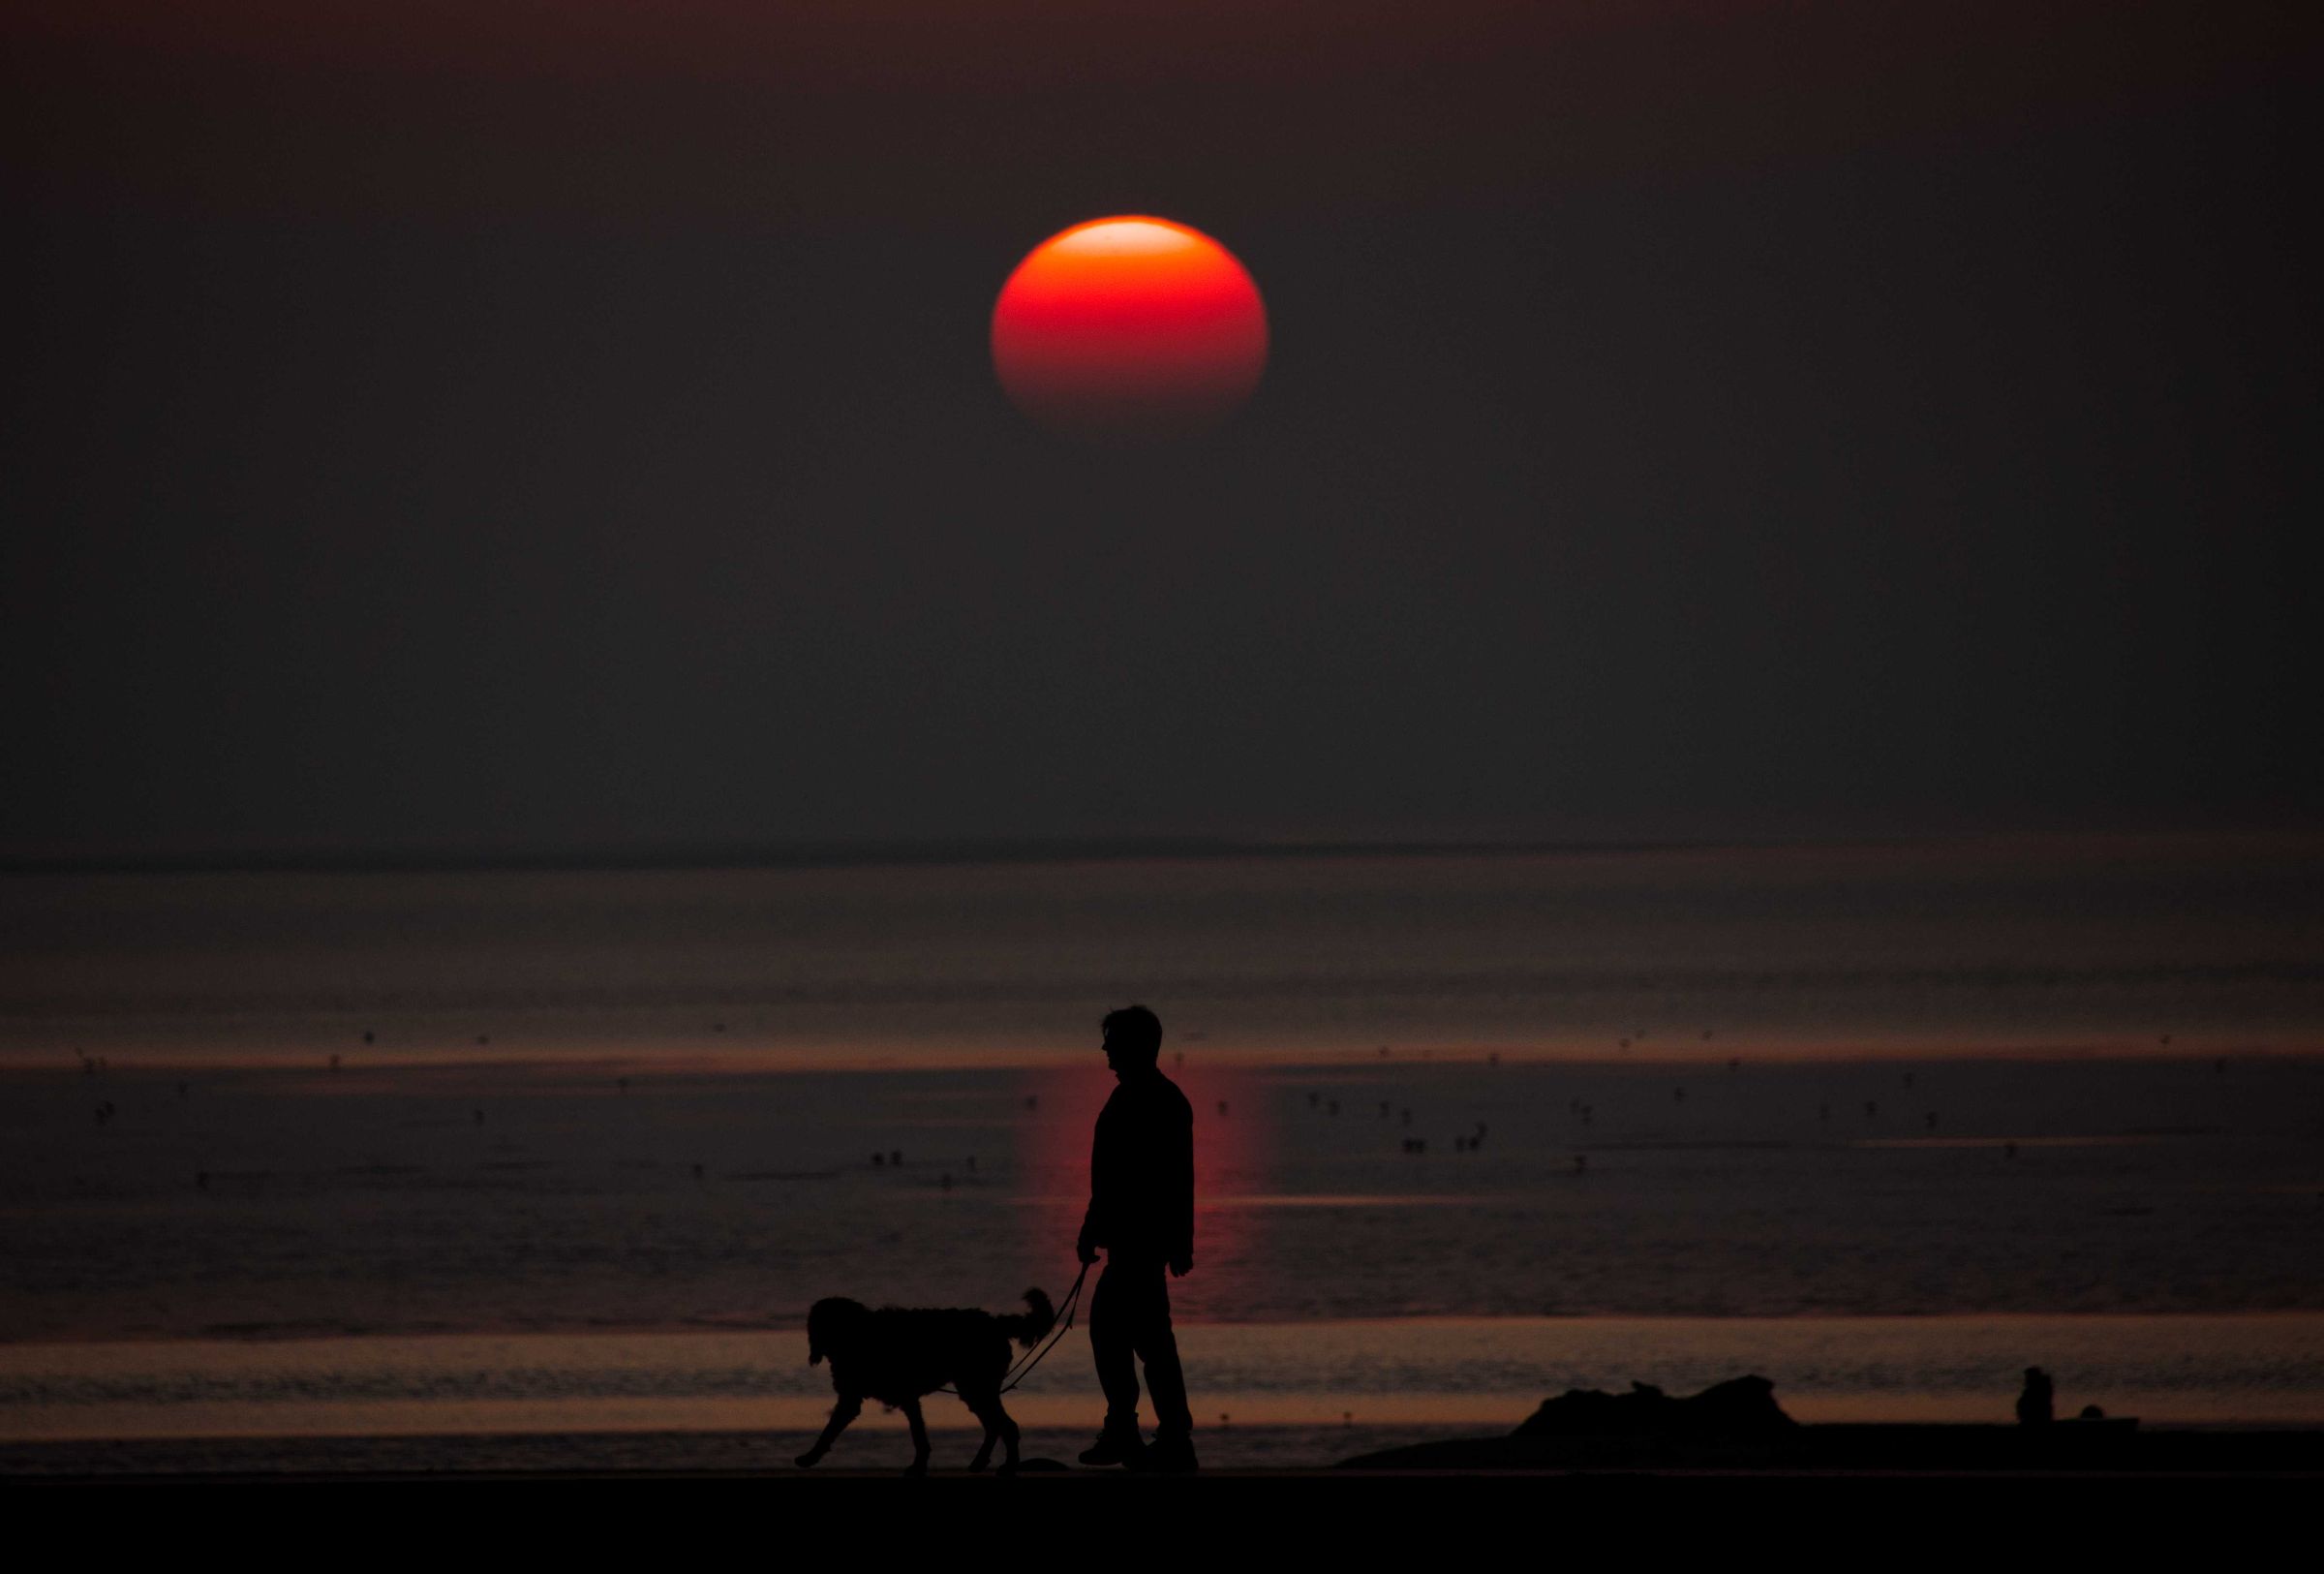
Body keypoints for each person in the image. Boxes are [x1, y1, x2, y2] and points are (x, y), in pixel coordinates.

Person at [1075, 1004, 1197, 1472]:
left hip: (1141, 1242)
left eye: (1112, 1041)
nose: (1105, 1049)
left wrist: (1179, 1242)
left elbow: (1174, 1177)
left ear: (1134, 1046)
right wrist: (1093, 1227)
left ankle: (1149, 1434)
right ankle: (1154, 1435)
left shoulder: (1157, 1099)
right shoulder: (1133, 1097)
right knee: (1141, 1338)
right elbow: (1109, 1178)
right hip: (1131, 1239)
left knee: (1127, 1334)